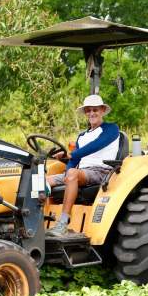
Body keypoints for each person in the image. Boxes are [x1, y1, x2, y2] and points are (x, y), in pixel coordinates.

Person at [46, 94, 119, 237]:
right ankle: (37, 220)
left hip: (102, 171)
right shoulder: (82, 136)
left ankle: (62, 223)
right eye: (88, 110)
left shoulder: (111, 129)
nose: (92, 113)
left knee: (73, 174)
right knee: (42, 180)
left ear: (103, 110)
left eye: (95, 110)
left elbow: (96, 146)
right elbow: (74, 160)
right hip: (81, 172)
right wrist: (68, 171)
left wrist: (72, 156)